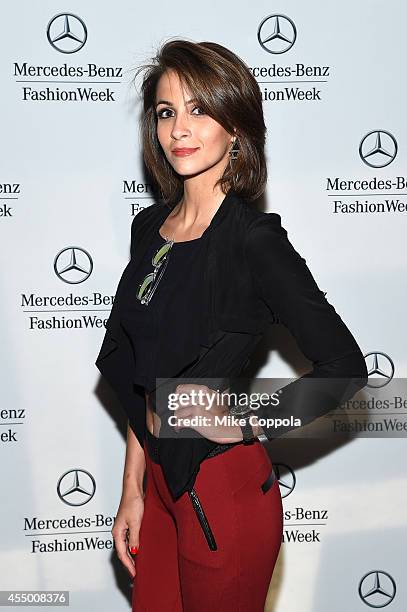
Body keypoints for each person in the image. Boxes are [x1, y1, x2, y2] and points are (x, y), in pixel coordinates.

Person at [95, 38, 368, 611]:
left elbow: (344, 366)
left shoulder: (254, 241)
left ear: (235, 126)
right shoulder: (149, 227)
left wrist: (250, 418)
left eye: (199, 109)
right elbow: (144, 379)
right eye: (167, 112)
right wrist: (132, 492)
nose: (179, 129)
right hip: (161, 486)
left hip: (222, 490)